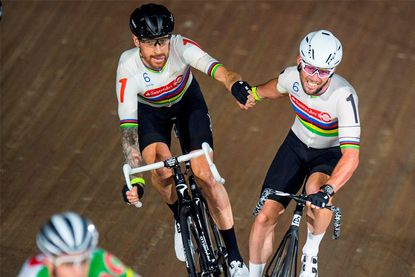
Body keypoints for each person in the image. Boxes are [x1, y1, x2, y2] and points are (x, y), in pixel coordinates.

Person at [115, 3, 253, 276]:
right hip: (152, 113)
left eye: (163, 41)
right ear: (136, 41)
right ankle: (179, 217)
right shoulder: (127, 68)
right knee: (161, 169)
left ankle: (235, 257)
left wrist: (235, 85)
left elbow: (219, 70)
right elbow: (129, 130)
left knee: (205, 176)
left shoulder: (181, 46)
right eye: (150, 43)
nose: (159, 50)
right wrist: (137, 180)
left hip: (187, 103)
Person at [247, 30, 360, 277]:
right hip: (295, 147)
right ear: (300, 61)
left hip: (327, 155)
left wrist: (329, 190)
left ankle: (311, 252)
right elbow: (275, 88)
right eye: (310, 68)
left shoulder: (344, 96)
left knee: (317, 197)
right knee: (264, 218)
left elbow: (351, 156)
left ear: (332, 71)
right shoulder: (291, 77)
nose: (314, 77)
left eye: (323, 72)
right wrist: (252, 94)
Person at [18, 211, 141, 277]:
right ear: (49, 264)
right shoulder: (34, 274)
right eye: (68, 263)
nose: (78, 272)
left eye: (83, 261)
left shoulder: (101, 262)